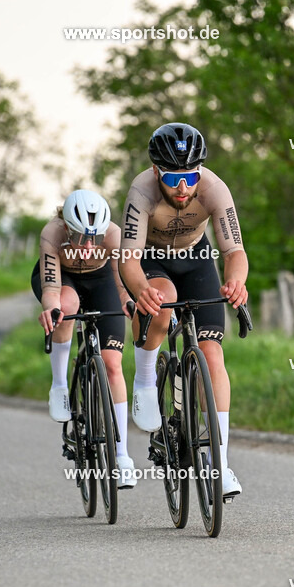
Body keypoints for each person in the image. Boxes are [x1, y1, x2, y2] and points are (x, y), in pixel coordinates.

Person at [118, 122, 249, 498]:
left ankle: (220, 466)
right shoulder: (141, 191)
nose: (183, 187)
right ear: (157, 171)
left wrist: (236, 281)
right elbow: (127, 258)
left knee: (212, 355)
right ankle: (145, 380)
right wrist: (141, 290)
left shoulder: (214, 189)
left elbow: (234, 251)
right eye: (174, 177)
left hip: (196, 258)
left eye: (191, 176)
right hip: (152, 259)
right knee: (162, 300)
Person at [32, 189, 138, 488]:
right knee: (67, 306)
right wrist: (51, 309)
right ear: (66, 226)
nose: (89, 245)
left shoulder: (114, 236)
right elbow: (51, 288)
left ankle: (122, 457)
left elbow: (121, 285)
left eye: (96, 238)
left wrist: (128, 303)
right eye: (80, 238)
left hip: (103, 280)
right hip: (63, 281)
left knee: (112, 365)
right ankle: (59, 385)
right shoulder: (52, 233)